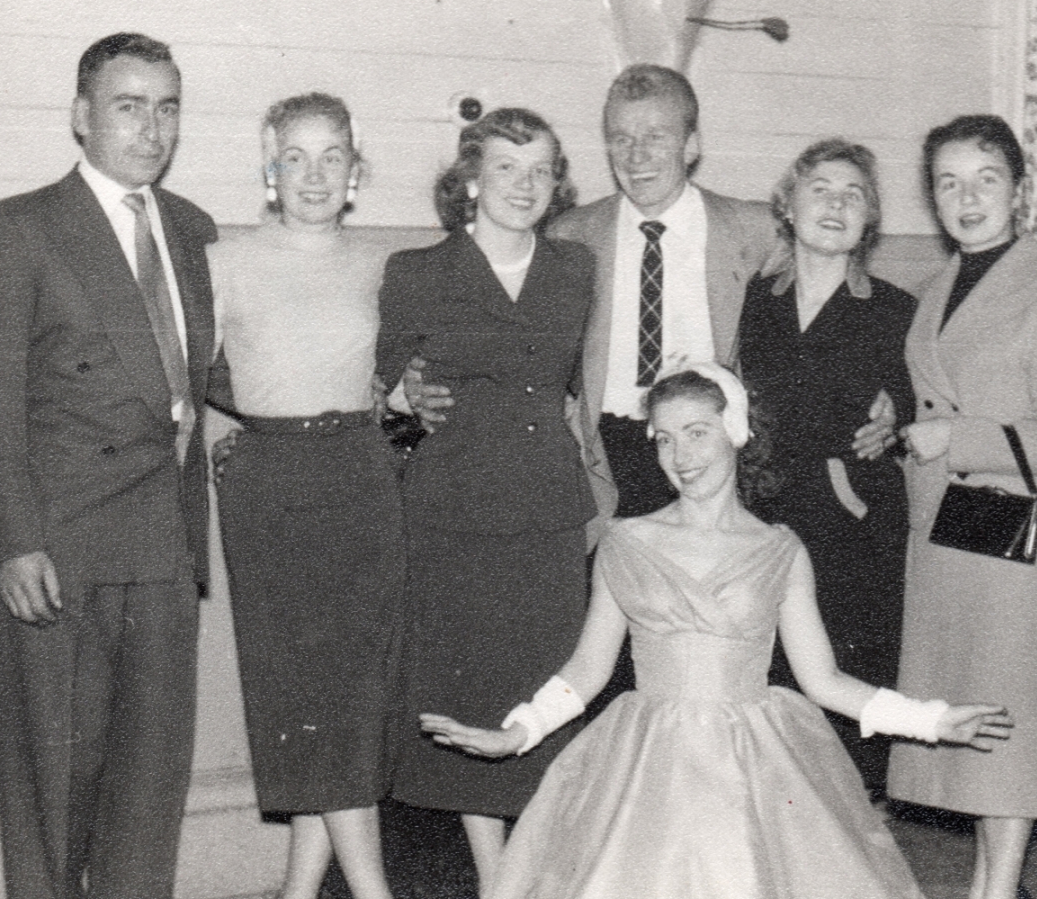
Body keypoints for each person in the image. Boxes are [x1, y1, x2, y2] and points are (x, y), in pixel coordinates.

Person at [420, 364, 1013, 899]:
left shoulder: (780, 550)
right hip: (647, 755)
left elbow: (825, 681)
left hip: (752, 754)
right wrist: (517, 733)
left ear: (735, 430)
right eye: (663, 439)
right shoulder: (626, 541)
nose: (679, 455)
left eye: (696, 432)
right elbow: (588, 669)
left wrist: (930, 720)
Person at [0, 33, 216, 899]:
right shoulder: (21, 227)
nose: (151, 128)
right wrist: (12, 544)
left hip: (164, 549)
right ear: (80, 116)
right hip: (60, 551)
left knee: (148, 795)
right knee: (54, 792)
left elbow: (210, 375)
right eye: (128, 105)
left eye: (166, 107)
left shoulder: (189, 229)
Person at [400, 64, 896, 524]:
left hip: (714, 452)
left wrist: (891, 396)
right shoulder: (571, 235)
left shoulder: (754, 229)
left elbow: (839, 297)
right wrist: (425, 374)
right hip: (603, 455)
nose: (636, 157)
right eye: (622, 139)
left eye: (656, 137)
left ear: (692, 144)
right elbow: (500, 315)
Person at [375, 107, 595, 896]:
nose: (523, 184)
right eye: (505, 166)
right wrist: (399, 394)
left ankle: (541, 863)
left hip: (545, 507)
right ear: (470, 178)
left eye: (539, 169)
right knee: (468, 687)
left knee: (542, 683)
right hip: (451, 508)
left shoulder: (575, 268)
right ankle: (496, 873)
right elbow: (383, 393)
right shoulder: (414, 271)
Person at [208, 93, 402, 899]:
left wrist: (398, 453)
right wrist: (242, 437)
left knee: (347, 702)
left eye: (332, 158)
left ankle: (298, 894)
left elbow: (407, 394)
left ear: (354, 171)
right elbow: (185, 377)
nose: (314, 175)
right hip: (272, 496)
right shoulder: (223, 260)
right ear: (268, 166)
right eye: (296, 157)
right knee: (304, 695)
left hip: (362, 481)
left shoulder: (384, 268)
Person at [888, 115, 1037, 899]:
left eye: (985, 179)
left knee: (1007, 716)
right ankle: (986, 877)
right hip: (947, 526)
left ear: (1020, 190)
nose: (965, 198)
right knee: (967, 709)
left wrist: (952, 438)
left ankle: (996, 888)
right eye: (947, 182)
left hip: (1015, 525)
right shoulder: (936, 287)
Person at [736, 138, 917, 790]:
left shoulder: (896, 310)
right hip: (761, 525)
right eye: (821, 189)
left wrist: (898, 412)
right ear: (787, 205)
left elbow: (922, 395)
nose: (836, 205)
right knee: (767, 698)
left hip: (853, 534)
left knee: (849, 709)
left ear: (869, 220)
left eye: (854, 194)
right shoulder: (752, 300)